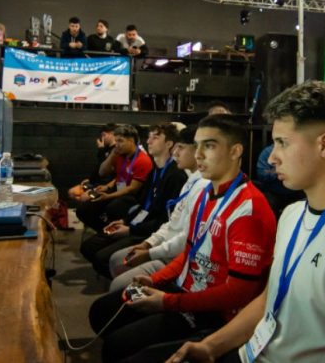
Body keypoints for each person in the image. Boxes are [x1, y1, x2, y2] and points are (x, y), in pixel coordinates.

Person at [167, 81, 325, 363]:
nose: (272, 158)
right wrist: (211, 347)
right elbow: (270, 299)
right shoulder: (292, 213)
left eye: (282, 143)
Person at [89, 114, 276, 362]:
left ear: (235, 151)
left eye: (209, 146)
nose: (198, 154)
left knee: (117, 347)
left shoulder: (248, 208)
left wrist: (168, 302)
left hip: (215, 313)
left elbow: (239, 293)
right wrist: (154, 279)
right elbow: (190, 253)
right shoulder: (204, 193)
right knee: (102, 311)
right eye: (197, 145)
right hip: (184, 290)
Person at [108, 126, 209, 292]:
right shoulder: (189, 181)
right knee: (115, 260)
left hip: (175, 256)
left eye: (181, 147)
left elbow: (186, 237)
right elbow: (171, 222)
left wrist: (150, 251)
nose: (176, 152)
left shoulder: (195, 183)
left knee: (117, 284)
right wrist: (148, 243)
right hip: (163, 242)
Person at [80, 123, 187, 278]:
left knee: (101, 258)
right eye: (149, 137)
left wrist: (130, 229)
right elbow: (143, 205)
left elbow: (164, 220)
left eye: (155, 137)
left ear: (169, 144)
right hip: (138, 223)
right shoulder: (155, 171)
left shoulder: (176, 176)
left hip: (149, 232)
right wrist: (124, 221)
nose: (149, 141)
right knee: (88, 247)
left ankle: (124, 283)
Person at [75, 125, 153, 231]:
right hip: (117, 189)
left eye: (120, 141)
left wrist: (108, 196)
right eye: (116, 141)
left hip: (131, 196)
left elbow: (132, 188)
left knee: (112, 208)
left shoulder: (143, 160)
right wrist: (112, 155)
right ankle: (104, 231)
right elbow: (102, 172)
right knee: (83, 209)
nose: (117, 145)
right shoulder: (120, 155)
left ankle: (111, 232)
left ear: (131, 140)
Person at [68, 123, 117, 202]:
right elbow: (99, 168)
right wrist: (90, 180)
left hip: (104, 185)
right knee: (72, 192)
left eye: (104, 135)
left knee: (84, 197)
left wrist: (107, 187)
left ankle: (89, 204)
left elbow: (107, 172)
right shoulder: (104, 149)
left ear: (112, 133)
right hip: (95, 183)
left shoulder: (116, 150)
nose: (102, 138)